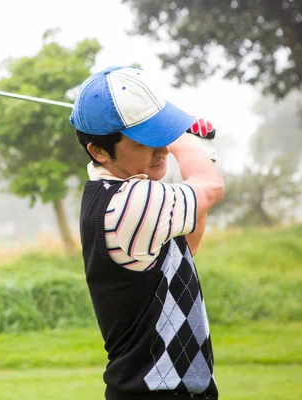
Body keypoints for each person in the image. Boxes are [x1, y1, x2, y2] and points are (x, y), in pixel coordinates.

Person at [70, 66, 224, 400]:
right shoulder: (127, 204)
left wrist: (202, 152)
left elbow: (188, 245)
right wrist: (184, 139)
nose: (162, 150)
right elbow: (210, 187)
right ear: (98, 150)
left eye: (162, 134)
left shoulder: (133, 196)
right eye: (147, 140)